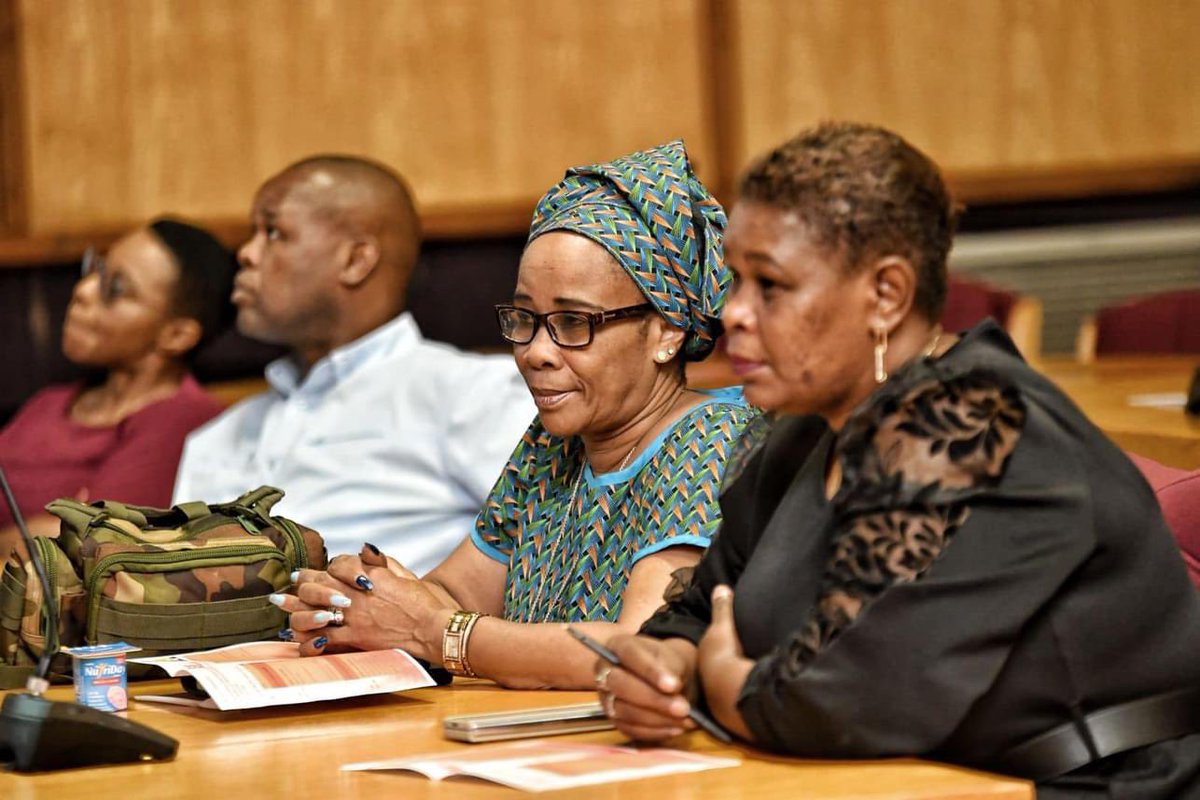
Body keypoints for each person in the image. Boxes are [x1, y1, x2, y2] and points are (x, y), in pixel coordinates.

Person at [599, 122, 1200, 797]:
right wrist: (661, 668)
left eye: (769, 286)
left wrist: (725, 680)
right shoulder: (805, 429)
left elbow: (840, 698)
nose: (733, 313)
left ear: (886, 294)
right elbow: (705, 602)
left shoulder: (975, 422)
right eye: (735, 280)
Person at [276, 140, 756, 689]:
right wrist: (363, 598)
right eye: (524, 318)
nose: (536, 351)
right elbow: (456, 593)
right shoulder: (555, 438)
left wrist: (437, 633)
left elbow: (642, 650)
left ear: (667, 330)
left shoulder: (713, 439)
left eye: (575, 323)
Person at [172, 155, 536, 574]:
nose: (247, 255)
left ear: (356, 260)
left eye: (273, 232)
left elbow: (555, 553)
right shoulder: (219, 435)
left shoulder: (472, 395)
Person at [0, 218, 236, 553]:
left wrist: (50, 533)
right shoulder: (50, 401)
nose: (83, 290)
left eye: (115, 288)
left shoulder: (185, 419)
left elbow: (91, 545)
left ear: (176, 335)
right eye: (94, 268)